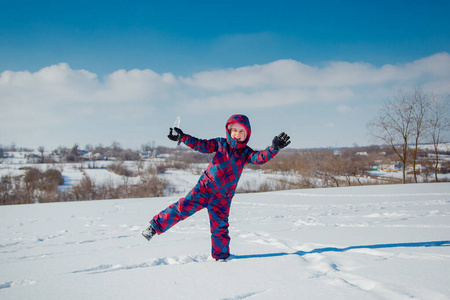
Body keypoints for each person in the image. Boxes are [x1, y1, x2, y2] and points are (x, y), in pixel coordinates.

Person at [142, 114, 291, 261]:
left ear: (247, 135)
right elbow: (201, 145)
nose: (237, 135)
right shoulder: (220, 144)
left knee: (220, 228)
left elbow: (259, 158)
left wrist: (274, 148)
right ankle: (154, 227)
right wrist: (183, 137)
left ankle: (221, 258)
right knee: (181, 208)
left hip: (223, 198)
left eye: (241, 132)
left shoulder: (246, 153)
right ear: (229, 130)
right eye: (235, 131)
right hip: (204, 189)